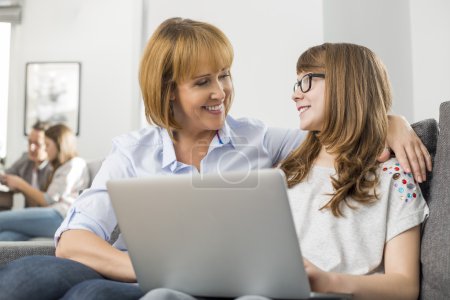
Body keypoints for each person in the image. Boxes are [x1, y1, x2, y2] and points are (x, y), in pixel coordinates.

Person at [0, 18, 431, 300]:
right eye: (203, 81)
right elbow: (73, 239)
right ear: (169, 91)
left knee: (88, 298)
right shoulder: (132, 152)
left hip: (217, 288)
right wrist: (148, 268)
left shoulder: (263, 142)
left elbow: (338, 133)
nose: (221, 91)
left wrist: (390, 120)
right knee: (26, 278)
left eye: (225, 75)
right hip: (130, 272)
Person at [142, 44, 430, 300]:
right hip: (260, 289)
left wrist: (329, 282)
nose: (295, 94)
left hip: (329, 293)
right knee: (162, 295)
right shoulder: (287, 167)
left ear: (347, 84)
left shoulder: (395, 178)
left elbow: (404, 286)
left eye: (306, 81)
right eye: (295, 83)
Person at [0, 123, 90, 241]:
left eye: (47, 144)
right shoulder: (58, 167)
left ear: (59, 145)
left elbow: (48, 200)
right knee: (6, 237)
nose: (45, 149)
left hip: (60, 216)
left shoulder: (75, 164)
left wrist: (20, 184)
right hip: (50, 216)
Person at [0, 121, 53, 211]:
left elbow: (49, 201)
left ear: (48, 145)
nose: (31, 148)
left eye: (37, 144)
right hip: (27, 213)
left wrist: (20, 184)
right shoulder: (26, 159)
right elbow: (6, 175)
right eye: (30, 142)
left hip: (46, 215)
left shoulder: (53, 167)